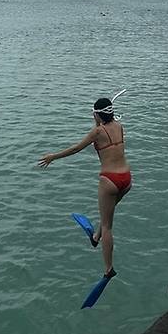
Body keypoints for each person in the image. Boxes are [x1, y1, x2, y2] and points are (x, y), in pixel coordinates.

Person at [38, 96, 131, 279]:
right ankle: (95, 237)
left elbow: (75, 149)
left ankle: (108, 269)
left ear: (97, 115)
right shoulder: (120, 126)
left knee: (107, 226)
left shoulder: (98, 131)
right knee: (107, 215)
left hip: (110, 180)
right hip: (126, 180)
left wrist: (52, 157)